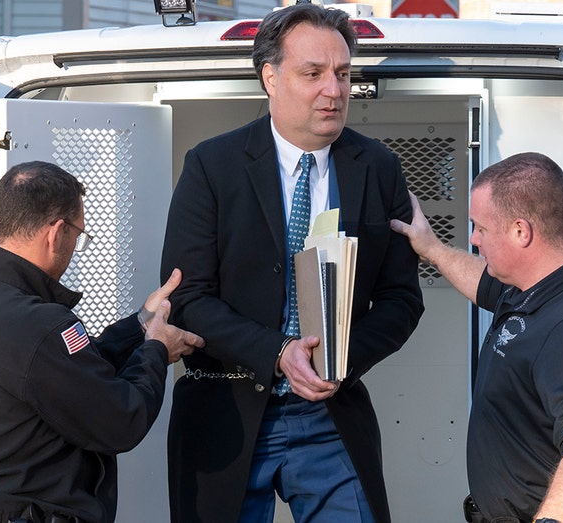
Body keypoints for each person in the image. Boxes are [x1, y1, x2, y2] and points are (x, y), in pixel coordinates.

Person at [160, 3, 425, 522]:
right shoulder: (211, 165)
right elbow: (186, 298)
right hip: (226, 417)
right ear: (270, 77)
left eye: (343, 73)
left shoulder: (379, 167)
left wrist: (338, 361)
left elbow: (401, 300)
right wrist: (279, 353)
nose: (334, 89)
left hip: (331, 418)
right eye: (314, 73)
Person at [0, 161, 204, 523]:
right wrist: (157, 350)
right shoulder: (39, 326)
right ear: (56, 233)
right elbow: (121, 419)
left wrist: (140, 324)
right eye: (79, 236)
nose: (74, 248)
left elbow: (70, 375)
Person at [390, 152, 563, 523]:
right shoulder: (534, 286)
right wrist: (433, 250)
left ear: (521, 232)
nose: (473, 239)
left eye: (481, 228)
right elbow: (482, 283)